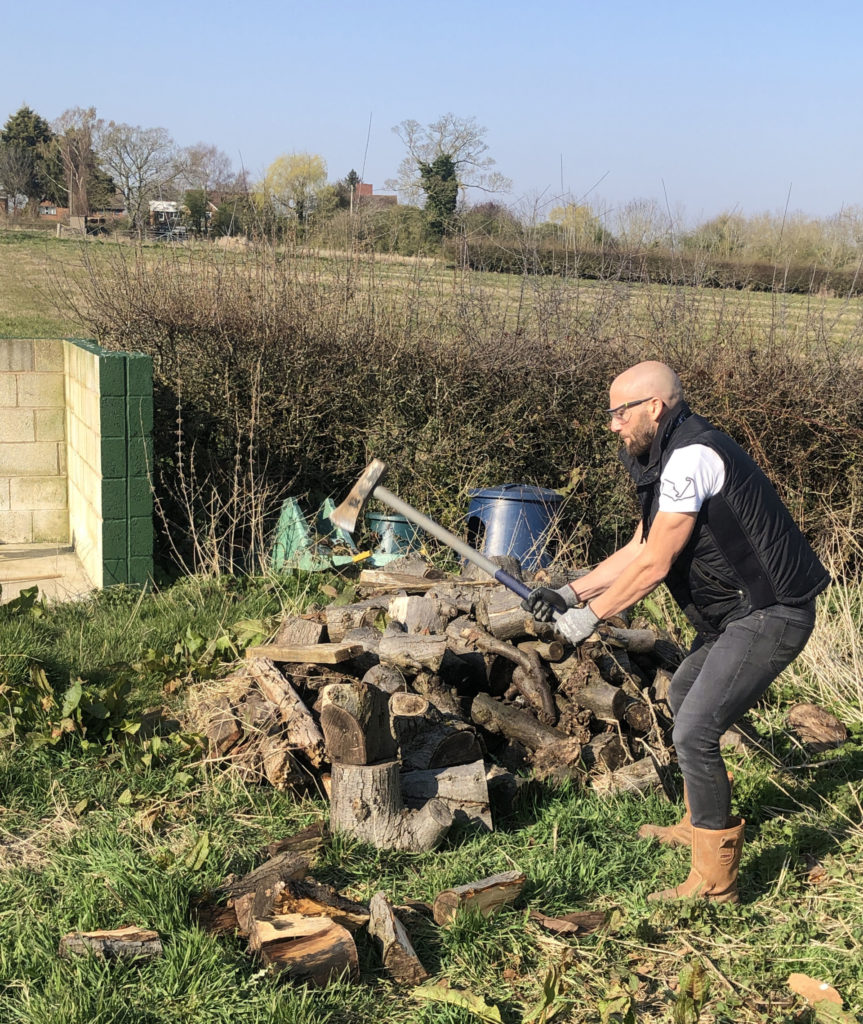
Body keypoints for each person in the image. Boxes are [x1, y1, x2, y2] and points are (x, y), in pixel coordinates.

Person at [524, 361, 829, 903]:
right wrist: (572, 593)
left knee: (695, 730)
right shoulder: (669, 455)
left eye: (619, 413)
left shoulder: (691, 456)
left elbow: (656, 564)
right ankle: (697, 823)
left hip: (770, 611)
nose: (613, 425)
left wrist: (590, 618)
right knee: (685, 694)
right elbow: (642, 544)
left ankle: (716, 882)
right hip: (735, 615)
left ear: (654, 408)